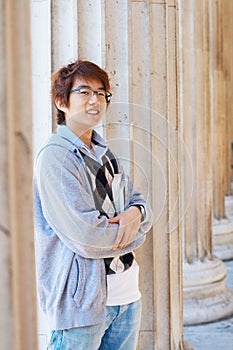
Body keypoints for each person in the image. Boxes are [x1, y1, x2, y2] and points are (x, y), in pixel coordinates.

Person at [33, 59, 153, 350]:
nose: (95, 100)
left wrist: (135, 214)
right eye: (84, 92)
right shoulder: (56, 157)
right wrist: (135, 232)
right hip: (82, 305)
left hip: (126, 296)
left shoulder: (103, 151)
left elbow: (139, 204)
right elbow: (87, 236)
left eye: (101, 93)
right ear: (61, 102)